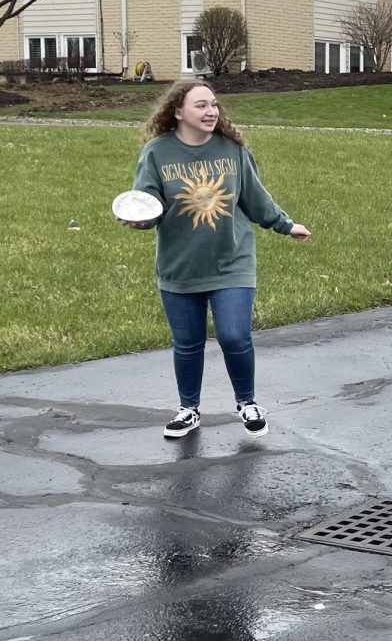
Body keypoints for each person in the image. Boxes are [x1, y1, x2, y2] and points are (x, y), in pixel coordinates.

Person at [121, 80, 311, 439]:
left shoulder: (232, 150)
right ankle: (188, 409)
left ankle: (247, 402)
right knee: (187, 342)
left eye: (214, 105)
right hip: (180, 265)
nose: (211, 112)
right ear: (177, 112)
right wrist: (138, 218)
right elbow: (146, 204)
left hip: (232, 260)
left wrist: (285, 225)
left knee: (235, 336)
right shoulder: (157, 153)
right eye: (201, 106)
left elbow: (256, 198)